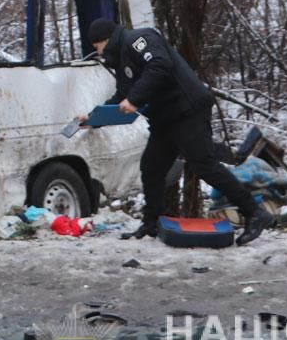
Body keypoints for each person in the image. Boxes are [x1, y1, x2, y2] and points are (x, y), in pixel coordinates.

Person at [81, 18, 274, 246]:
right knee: (151, 167)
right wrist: (93, 119)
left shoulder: (139, 39)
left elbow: (160, 66)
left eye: (97, 46)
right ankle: (151, 223)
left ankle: (255, 212)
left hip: (187, 110)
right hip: (165, 119)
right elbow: (122, 97)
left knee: (205, 165)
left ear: (106, 39)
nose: (99, 52)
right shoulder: (122, 61)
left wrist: (134, 99)